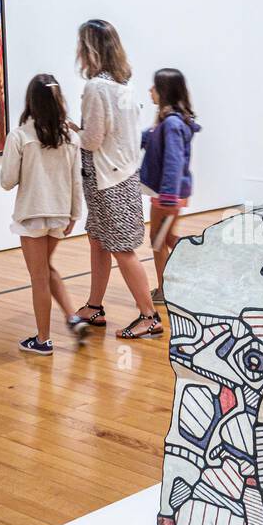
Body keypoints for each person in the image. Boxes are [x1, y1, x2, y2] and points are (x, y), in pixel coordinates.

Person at [71, 20, 162, 339]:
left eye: (81, 45)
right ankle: (94, 306)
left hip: (107, 181)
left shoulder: (96, 87)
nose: (78, 51)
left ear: (90, 49)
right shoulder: (125, 86)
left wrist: (70, 130)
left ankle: (149, 317)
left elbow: (93, 139)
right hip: (119, 177)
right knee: (98, 242)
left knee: (121, 249)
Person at [0, 74, 88, 354]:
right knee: (46, 269)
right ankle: (73, 317)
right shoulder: (71, 136)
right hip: (60, 214)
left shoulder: (20, 136)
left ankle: (43, 340)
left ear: (31, 101)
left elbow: (6, 181)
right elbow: (77, 180)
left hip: (31, 215)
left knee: (39, 276)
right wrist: (75, 214)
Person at [140, 68, 201, 303]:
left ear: (164, 91)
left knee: (157, 239)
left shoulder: (172, 124)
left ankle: (166, 290)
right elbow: (144, 139)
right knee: (166, 238)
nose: (150, 91)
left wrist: (167, 194)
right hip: (171, 192)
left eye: (154, 87)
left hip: (167, 194)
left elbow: (174, 161)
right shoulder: (167, 122)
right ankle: (195, 262)